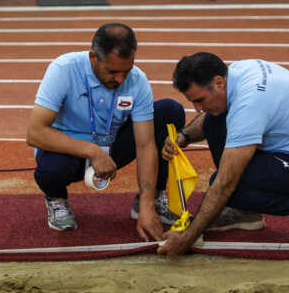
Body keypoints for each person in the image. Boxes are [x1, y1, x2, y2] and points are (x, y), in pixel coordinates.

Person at [157, 52, 289, 257]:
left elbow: (225, 184)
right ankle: (246, 213)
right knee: (213, 119)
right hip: (287, 152)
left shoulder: (250, 103)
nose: (197, 108)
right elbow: (208, 118)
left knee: (231, 188)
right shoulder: (235, 74)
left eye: (200, 100)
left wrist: (187, 238)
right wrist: (184, 136)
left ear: (219, 82)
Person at [26, 23, 185, 235]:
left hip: (112, 146)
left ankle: (152, 199)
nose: (120, 79)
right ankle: (56, 198)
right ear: (93, 57)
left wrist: (146, 205)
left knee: (169, 112)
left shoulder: (137, 81)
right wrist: (91, 151)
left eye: (126, 70)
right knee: (50, 169)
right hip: (69, 152)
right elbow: (35, 133)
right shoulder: (63, 69)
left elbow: (146, 146)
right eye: (112, 71)